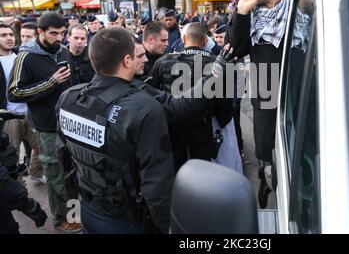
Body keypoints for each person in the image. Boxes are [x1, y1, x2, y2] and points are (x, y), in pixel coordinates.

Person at [55, 27, 174, 234]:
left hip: (87, 208)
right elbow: (157, 183)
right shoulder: (144, 108)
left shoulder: (68, 98)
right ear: (127, 61)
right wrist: (166, 227)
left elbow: (63, 156)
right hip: (128, 219)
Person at [225, 0, 293, 208]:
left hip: (297, 108)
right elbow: (235, 49)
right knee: (268, 160)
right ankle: (265, 180)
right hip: (266, 105)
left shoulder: (301, 10)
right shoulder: (252, 15)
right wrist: (241, 13)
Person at [8, 13, 81, 232]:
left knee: (74, 174)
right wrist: (50, 82)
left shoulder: (65, 52)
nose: (59, 38)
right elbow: (14, 92)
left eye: (62, 33)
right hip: (47, 128)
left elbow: (73, 85)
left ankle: (75, 215)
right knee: (56, 174)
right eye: (54, 33)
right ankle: (61, 220)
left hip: (70, 126)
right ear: (41, 32)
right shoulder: (26, 57)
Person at [151, 23, 234, 172]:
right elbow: (225, 102)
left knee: (176, 167)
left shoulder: (162, 62)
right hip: (202, 125)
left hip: (172, 126)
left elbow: (153, 95)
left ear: (183, 39)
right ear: (205, 41)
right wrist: (222, 121)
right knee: (203, 171)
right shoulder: (217, 64)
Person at [0, 24, 44, 183]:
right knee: (11, 154)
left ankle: (36, 173)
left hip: (30, 112)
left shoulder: (22, 55)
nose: (9, 38)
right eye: (3, 35)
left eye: (11, 34)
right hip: (9, 116)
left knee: (41, 147)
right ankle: (17, 186)